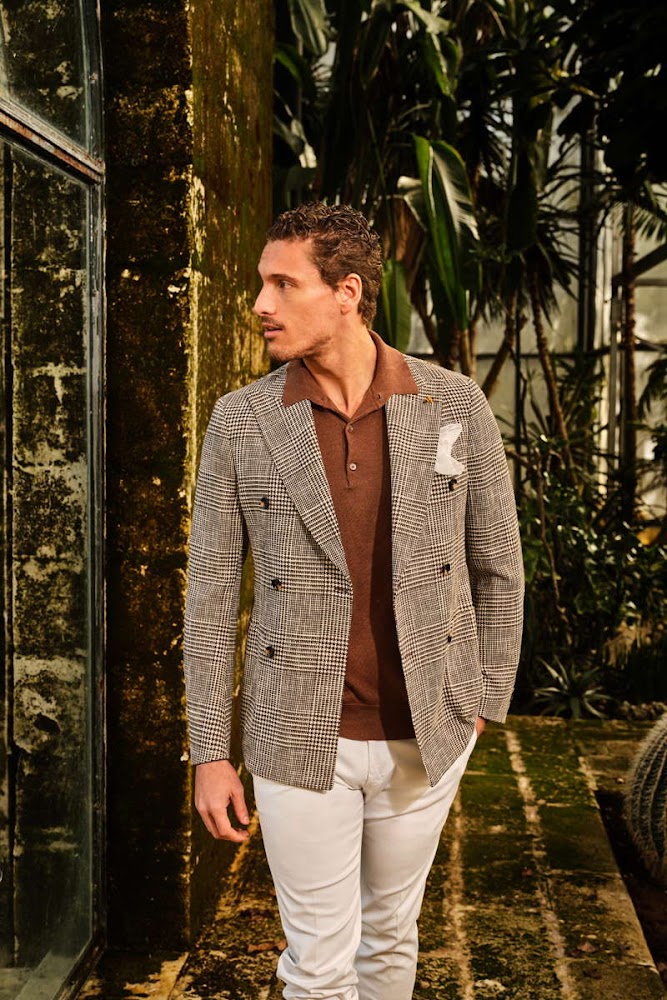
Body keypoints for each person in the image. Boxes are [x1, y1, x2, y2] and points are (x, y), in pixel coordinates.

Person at [183, 202, 524, 1000]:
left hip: (427, 728)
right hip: (297, 732)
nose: (260, 303)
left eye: (282, 283)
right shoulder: (241, 420)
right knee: (316, 964)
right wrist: (208, 751)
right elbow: (209, 595)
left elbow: (497, 565)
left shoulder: (453, 404)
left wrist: (481, 701)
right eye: (261, 282)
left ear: (346, 293)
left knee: (390, 937)